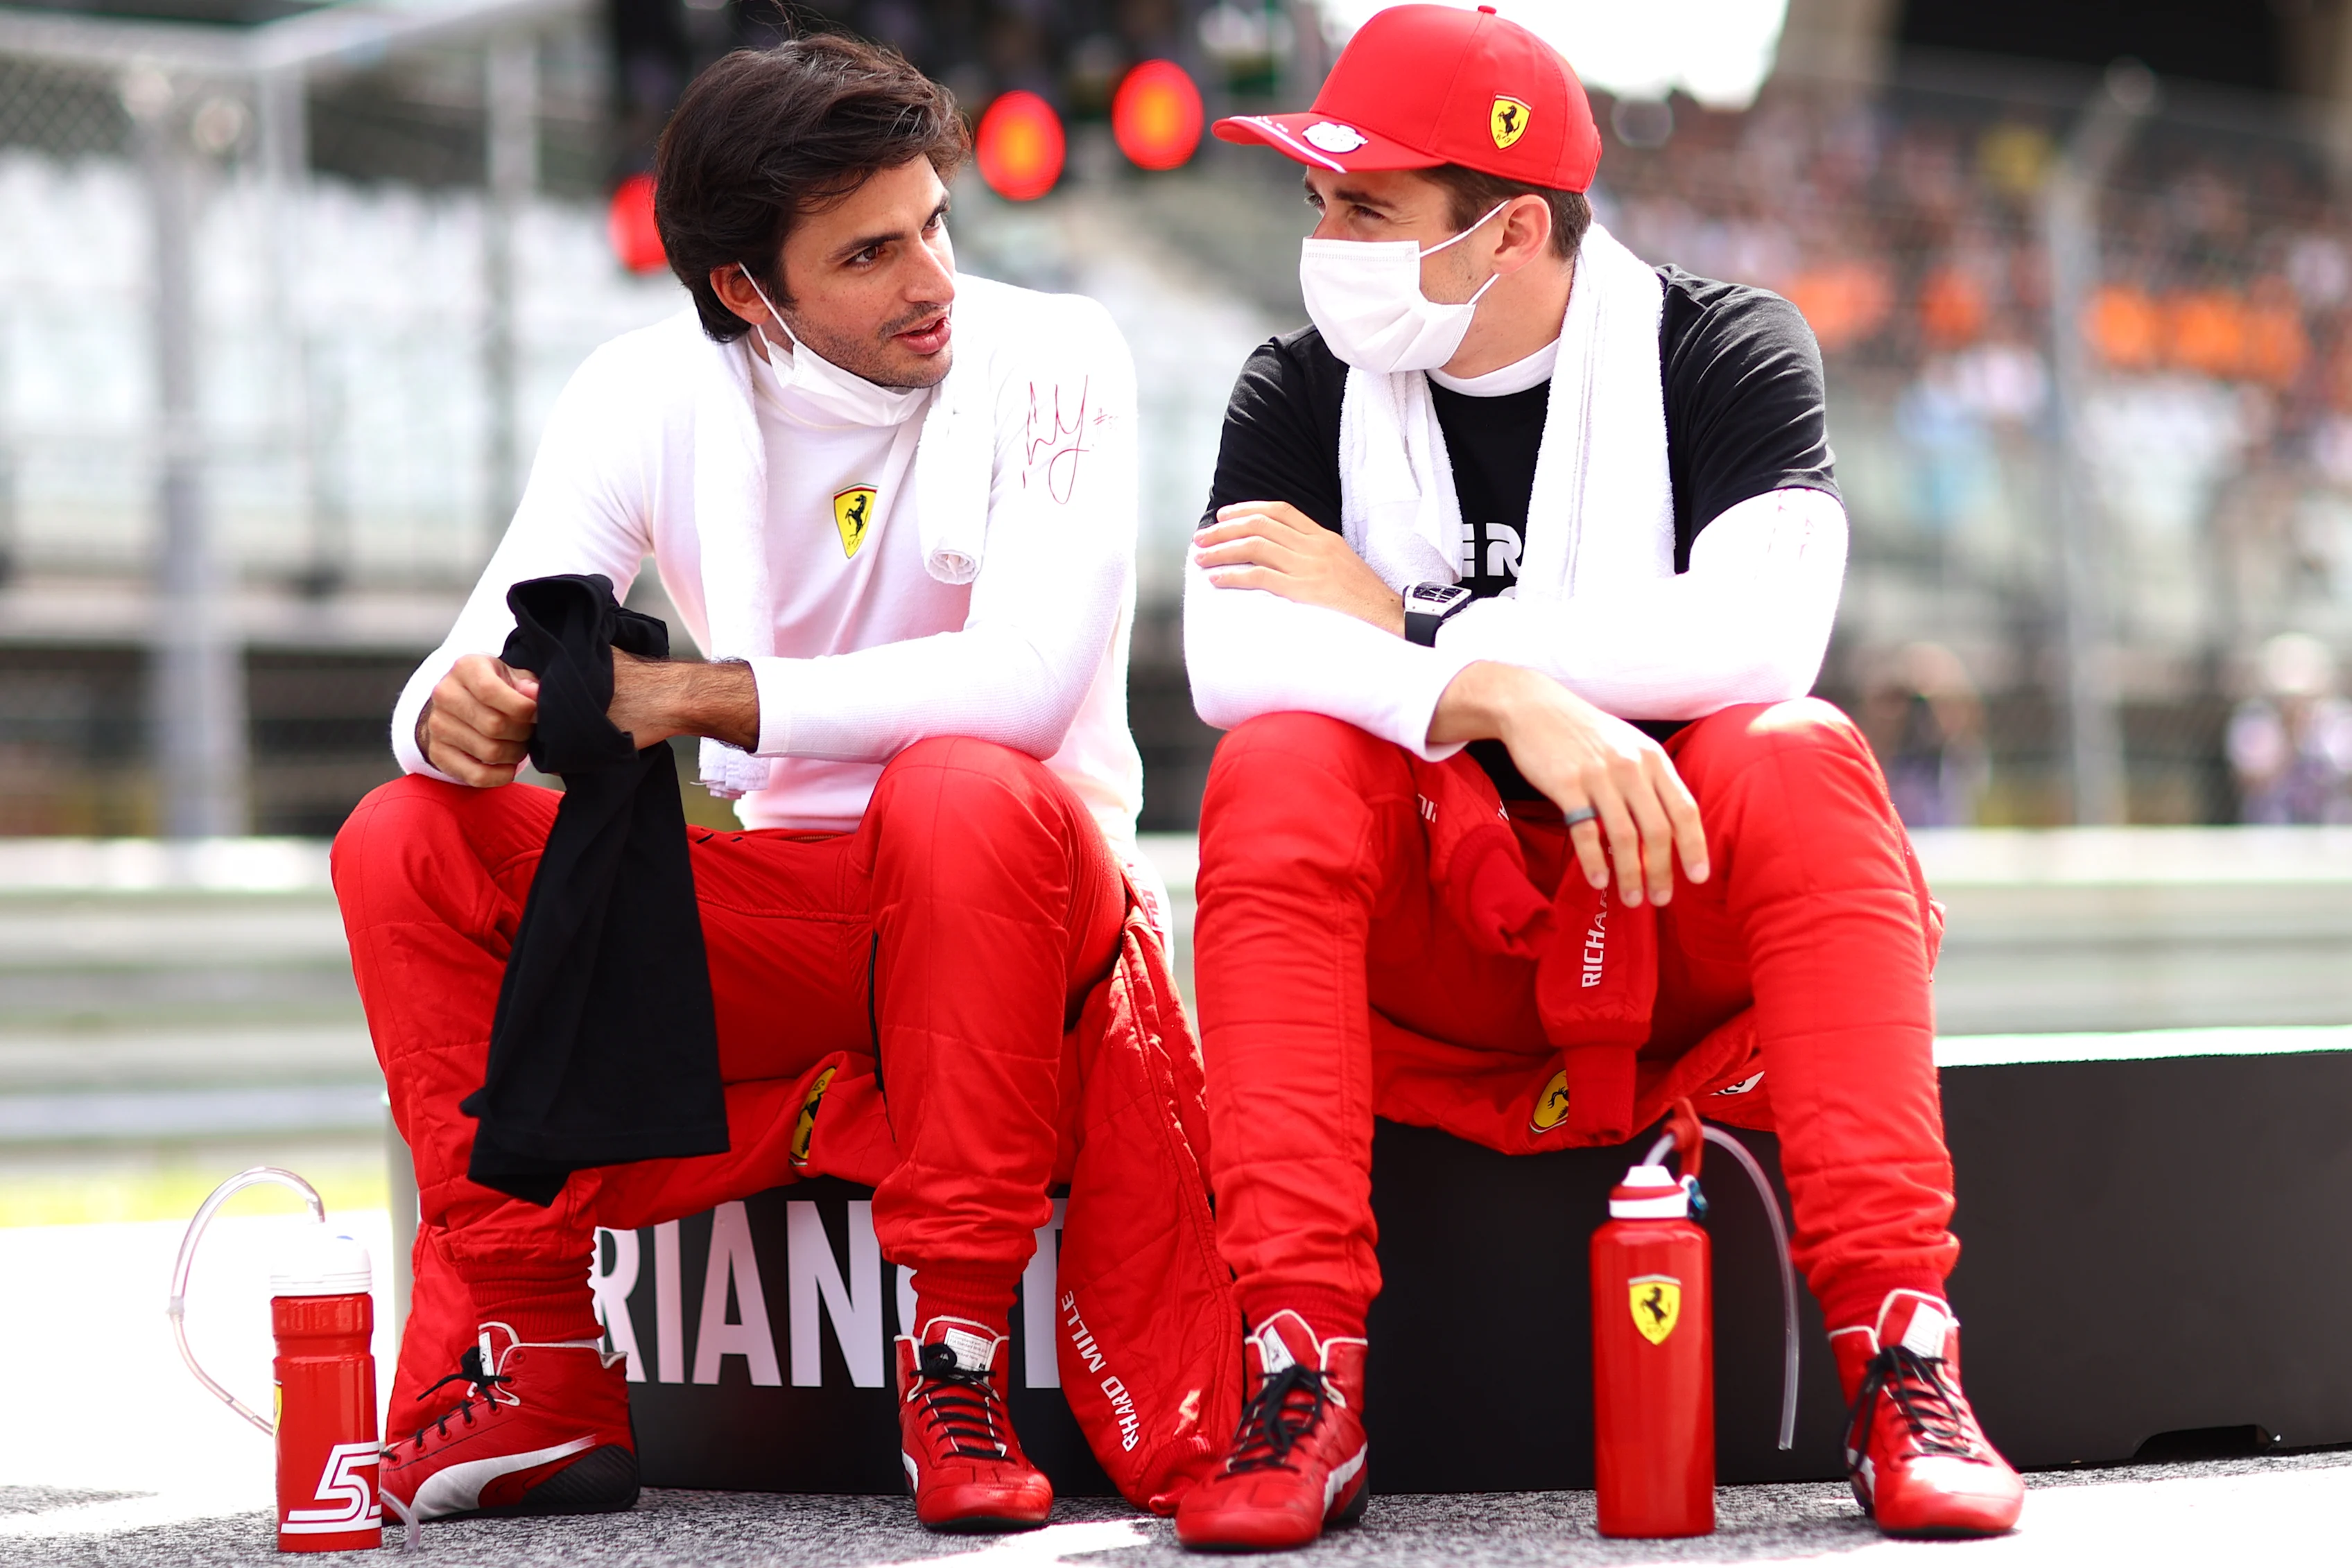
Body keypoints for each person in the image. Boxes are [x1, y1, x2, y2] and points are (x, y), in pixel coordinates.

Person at [1174, 6, 2025, 1549]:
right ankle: (1299, 1368)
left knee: (1800, 752)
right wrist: (1495, 692)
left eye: (1363, 204)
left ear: (1507, 229)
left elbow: (1765, 636)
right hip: (1446, 943)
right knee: (1280, 765)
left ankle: (1901, 1352)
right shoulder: (1292, 389)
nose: (1322, 235)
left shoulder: (1724, 343)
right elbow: (1229, 662)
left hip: (1657, 907)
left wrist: (1415, 627)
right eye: (1318, 198)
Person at [333, 35, 1165, 1533]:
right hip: (803, 918)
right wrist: (449, 718)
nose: (931, 280)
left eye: (935, 222)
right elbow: (477, 648)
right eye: (868, 252)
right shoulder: (641, 391)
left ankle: (957, 1354)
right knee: (403, 839)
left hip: (1028, 900)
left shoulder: (1055, 351)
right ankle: (536, 1360)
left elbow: (1028, 682)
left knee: (959, 786)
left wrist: (704, 697)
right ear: (744, 292)